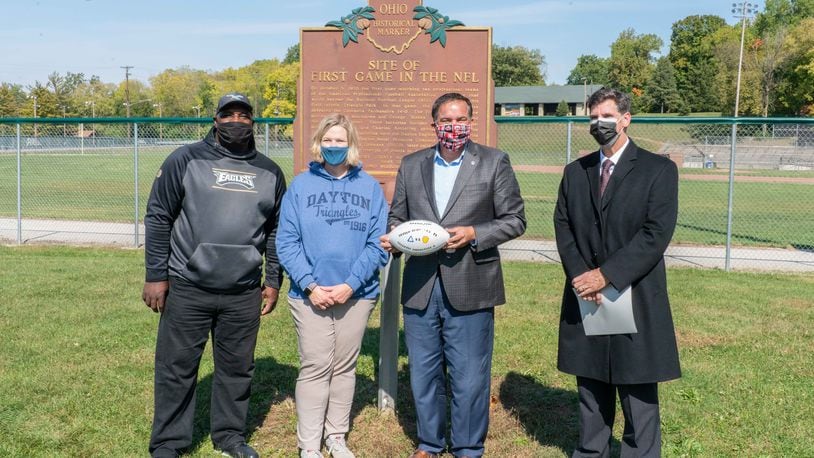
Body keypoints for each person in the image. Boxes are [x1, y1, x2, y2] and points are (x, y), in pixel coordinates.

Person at [380, 92, 526, 458]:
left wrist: (475, 234)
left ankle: (467, 446)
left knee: (469, 375)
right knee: (423, 372)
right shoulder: (412, 165)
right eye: (446, 120)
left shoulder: (493, 162)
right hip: (421, 287)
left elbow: (515, 219)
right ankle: (429, 442)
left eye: (461, 120)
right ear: (434, 124)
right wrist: (398, 239)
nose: (453, 126)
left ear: (471, 122)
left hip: (472, 283)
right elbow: (397, 216)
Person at [142, 93, 286, 458]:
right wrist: (157, 275)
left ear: (253, 122)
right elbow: (159, 216)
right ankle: (168, 443)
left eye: (243, 115)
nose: (236, 121)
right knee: (176, 369)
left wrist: (272, 280)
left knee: (237, 369)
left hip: (242, 291)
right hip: (188, 285)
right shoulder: (185, 159)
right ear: (215, 120)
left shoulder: (269, 171)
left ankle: (230, 437)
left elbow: (274, 230)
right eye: (228, 115)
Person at [553, 87, 681, 457]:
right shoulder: (576, 172)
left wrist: (607, 275)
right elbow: (563, 225)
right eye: (593, 117)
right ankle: (592, 451)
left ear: (625, 119)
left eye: (606, 116)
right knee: (590, 383)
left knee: (637, 387)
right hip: (586, 294)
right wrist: (583, 276)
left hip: (634, 292)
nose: (599, 124)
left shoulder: (658, 170)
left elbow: (656, 233)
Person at [276, 113, 389, 458]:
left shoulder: (369, 187)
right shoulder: (300, 186)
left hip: (356, 295)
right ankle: (309, 445)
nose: (334, 146)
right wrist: (310, 285)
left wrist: (350, 285)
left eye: (340, 140)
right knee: (314, 365)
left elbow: (378, 243)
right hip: (309, 295)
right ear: (319, 144)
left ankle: (336, 436)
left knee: (344, 366)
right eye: (328, 140)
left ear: (350, 144)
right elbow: (286, 242)